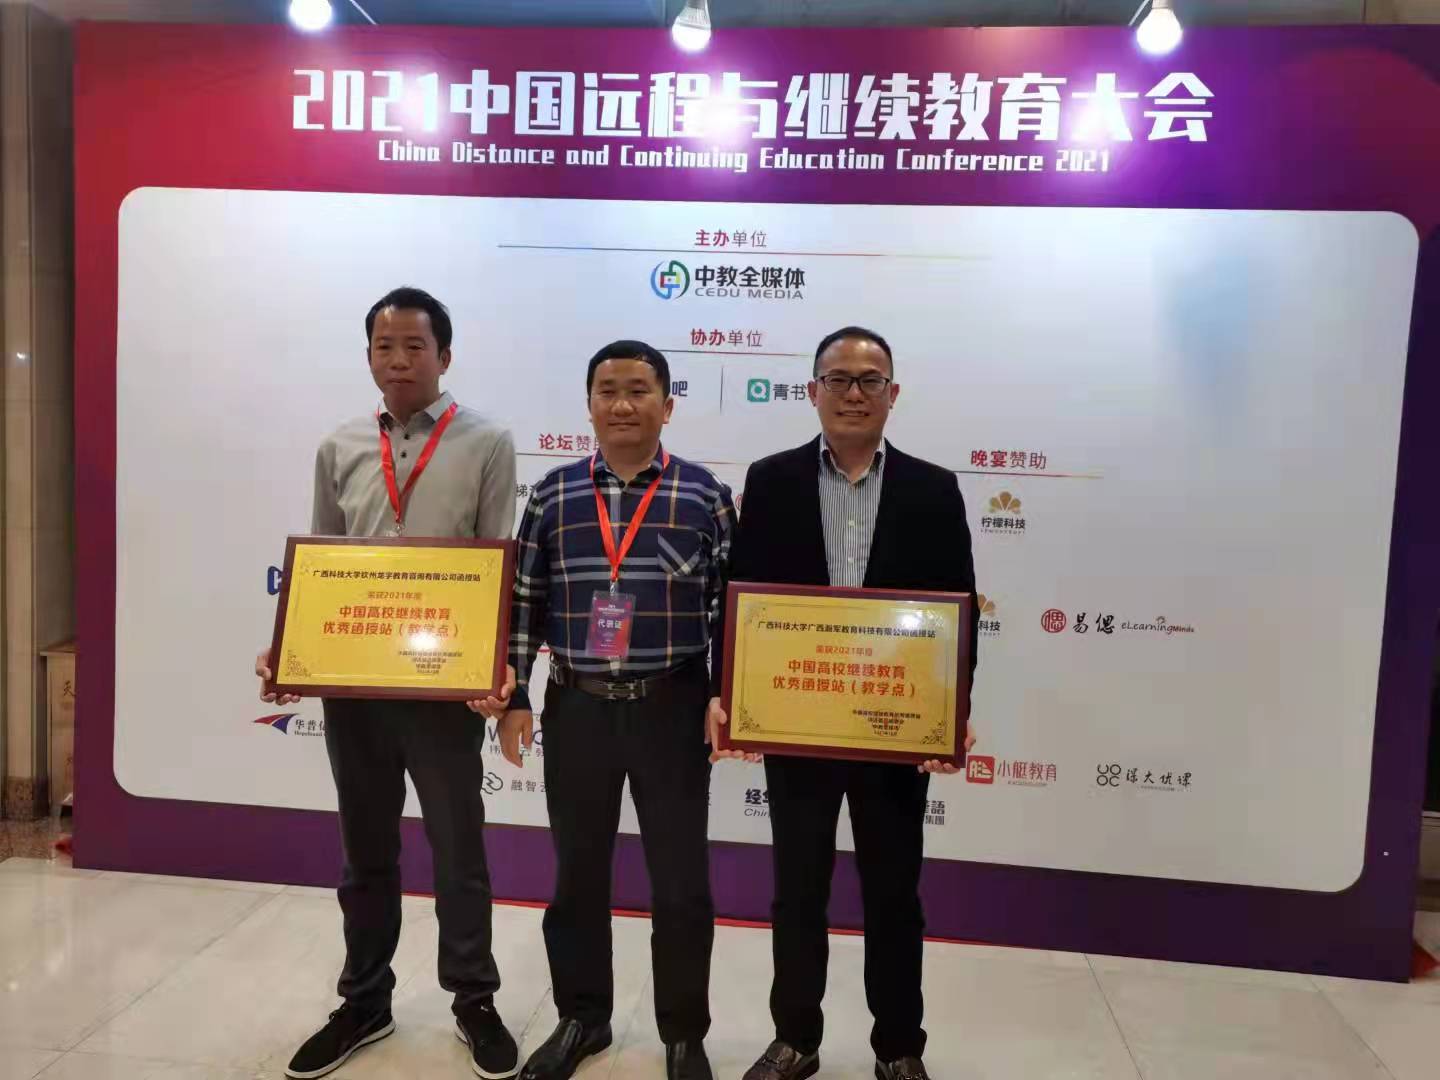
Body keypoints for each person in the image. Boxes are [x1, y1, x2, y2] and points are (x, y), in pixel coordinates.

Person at [255, 286, 520, 1080]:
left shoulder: (487, 442)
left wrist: (494, 669)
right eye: (384, 346)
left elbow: (497, 561)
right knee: (365, 852)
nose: (399, 360)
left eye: (414, 346)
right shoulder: (339, 445)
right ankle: (364, 1000)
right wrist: (290, 654)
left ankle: (474, 999)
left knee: (458, 850)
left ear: (445, 355)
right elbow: (322, 564)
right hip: (358, 690)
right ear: (369, 355)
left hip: (444, 691)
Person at [710, 327, 980, 1080]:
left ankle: (898, 1047)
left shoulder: (933, 488)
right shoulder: (771, 480)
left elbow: (959, 607)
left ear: (893, 393)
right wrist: (732, 696)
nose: (853, 393)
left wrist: (951, 713)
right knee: (797, 891)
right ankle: (795, 1038)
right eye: (838, 379)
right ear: (813, 391)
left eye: (869, 380)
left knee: (894, 894)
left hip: (894, 726)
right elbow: (743, 600)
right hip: (801, 722)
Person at [477, 341, 734, 1080]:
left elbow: (729, 611)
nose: (623, 404)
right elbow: (524, 600)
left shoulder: (704, 495)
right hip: (579, 707)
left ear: (667, 405)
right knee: (578, 875)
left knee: (681, 882)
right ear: (588, 405)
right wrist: (515, 697)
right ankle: (582, 1018)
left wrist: (725, 697)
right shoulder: (554, 494)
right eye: (608, 390)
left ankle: (683, 1033)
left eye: (640, 390)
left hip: (672, 708)